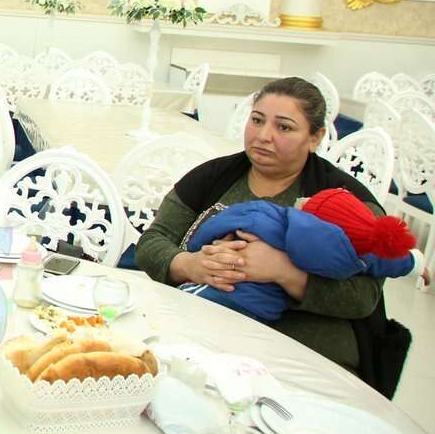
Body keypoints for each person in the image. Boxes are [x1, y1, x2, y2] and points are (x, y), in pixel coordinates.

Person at [135, 77, 386, 371]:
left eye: (284, 127)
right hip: (204, 332)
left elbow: (363, 298)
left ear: (315, 137)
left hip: (303, 353)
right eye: (257, 120)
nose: (264, 135)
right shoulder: (213, 177)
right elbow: (153, 241)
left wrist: (284, 272)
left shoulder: (346, 202)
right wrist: (191, 265)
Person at [178, 187, 417, 322]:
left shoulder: (269, 218)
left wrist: (197, 249)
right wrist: (415, 261)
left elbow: (222, 221)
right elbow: (391, 260)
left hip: (223, 288)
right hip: (262, 312)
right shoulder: (358, 256)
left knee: (182, 315)